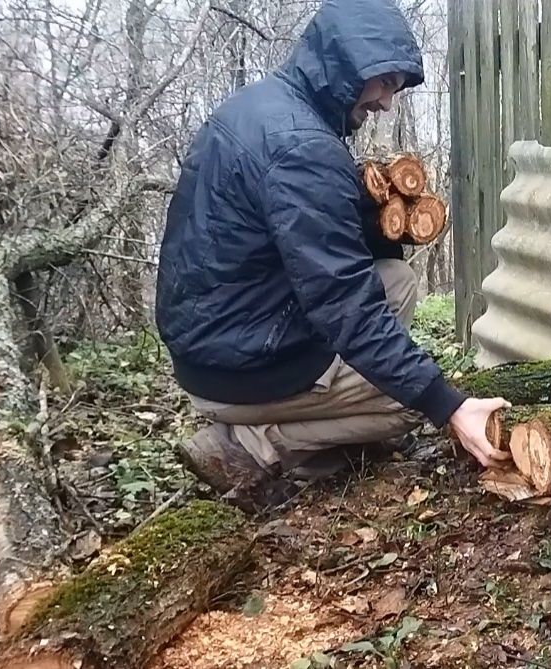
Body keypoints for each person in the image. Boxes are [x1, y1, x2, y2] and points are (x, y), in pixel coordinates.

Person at [154, 0, 509, 510]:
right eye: (383, 82)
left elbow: (311, 252)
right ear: (344, 65)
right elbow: (346, 305)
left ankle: (317, 422)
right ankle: (252, 443)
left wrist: (368, 215)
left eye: (395, 87)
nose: (387, 102)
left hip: (221, 334)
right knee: (406, 405)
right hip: (236, 363)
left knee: (398, 280)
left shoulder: (264, 107)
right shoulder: (301, 148)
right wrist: (446, 404)